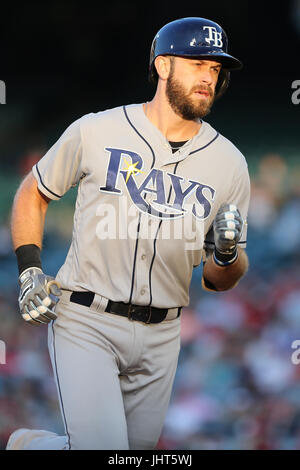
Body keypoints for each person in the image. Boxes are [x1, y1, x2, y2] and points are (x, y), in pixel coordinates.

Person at [7, 17, 250, 450]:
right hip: (87, 317)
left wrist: (229, 254)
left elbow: (217, 281)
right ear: (162, 66)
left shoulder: (229, 163)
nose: (208, 78)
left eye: (215, 70)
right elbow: (33, 191)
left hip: (163, 333)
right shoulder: (98, 130)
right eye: (197, 64)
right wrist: (29, 270)